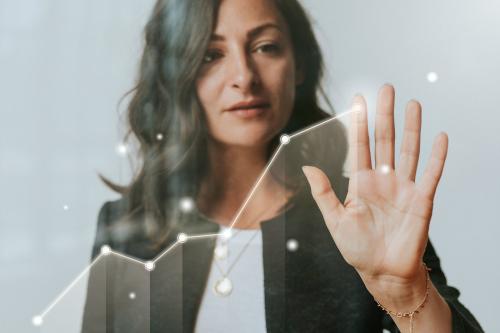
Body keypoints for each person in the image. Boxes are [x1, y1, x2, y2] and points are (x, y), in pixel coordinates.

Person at [81, 0, 484, 332]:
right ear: (176, 76)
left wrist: (406, 293)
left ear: (300, 64)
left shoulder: (361, 216)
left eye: (265, 47)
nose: (243, 77)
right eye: (211, 54)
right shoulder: (127, 226)